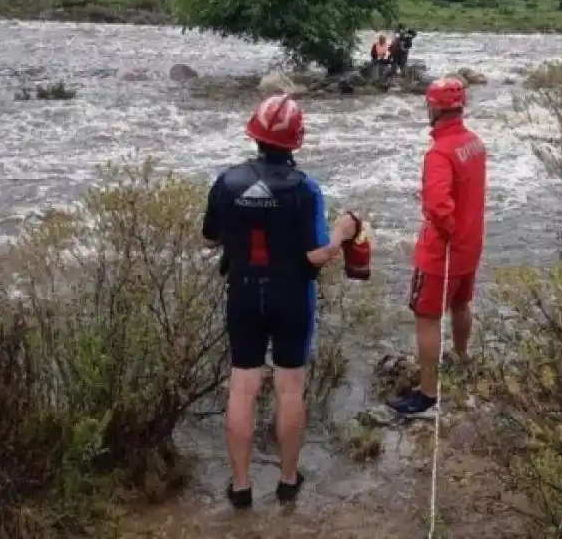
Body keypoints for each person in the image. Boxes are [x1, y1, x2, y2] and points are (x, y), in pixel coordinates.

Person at [201, 93, 359, 509]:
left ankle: (240, 486)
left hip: (244, 292)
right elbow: (316, 255)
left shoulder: (227, 181)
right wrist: (342, 232)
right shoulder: (305, 188)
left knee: (243, 386)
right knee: (290, 388)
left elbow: (210, 236)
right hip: (291, 295)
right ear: (296, 140)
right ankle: (288, 481)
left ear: (253, 134)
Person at [388, 77, 486, 419]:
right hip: (470, 244)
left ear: (433, 108)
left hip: (442, 251)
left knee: (427, 317)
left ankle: (428, 395)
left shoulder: (439, 153)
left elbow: (438, 205)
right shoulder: (474, 143)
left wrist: (443, 229)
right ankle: (461, 359)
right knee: (461, 302)